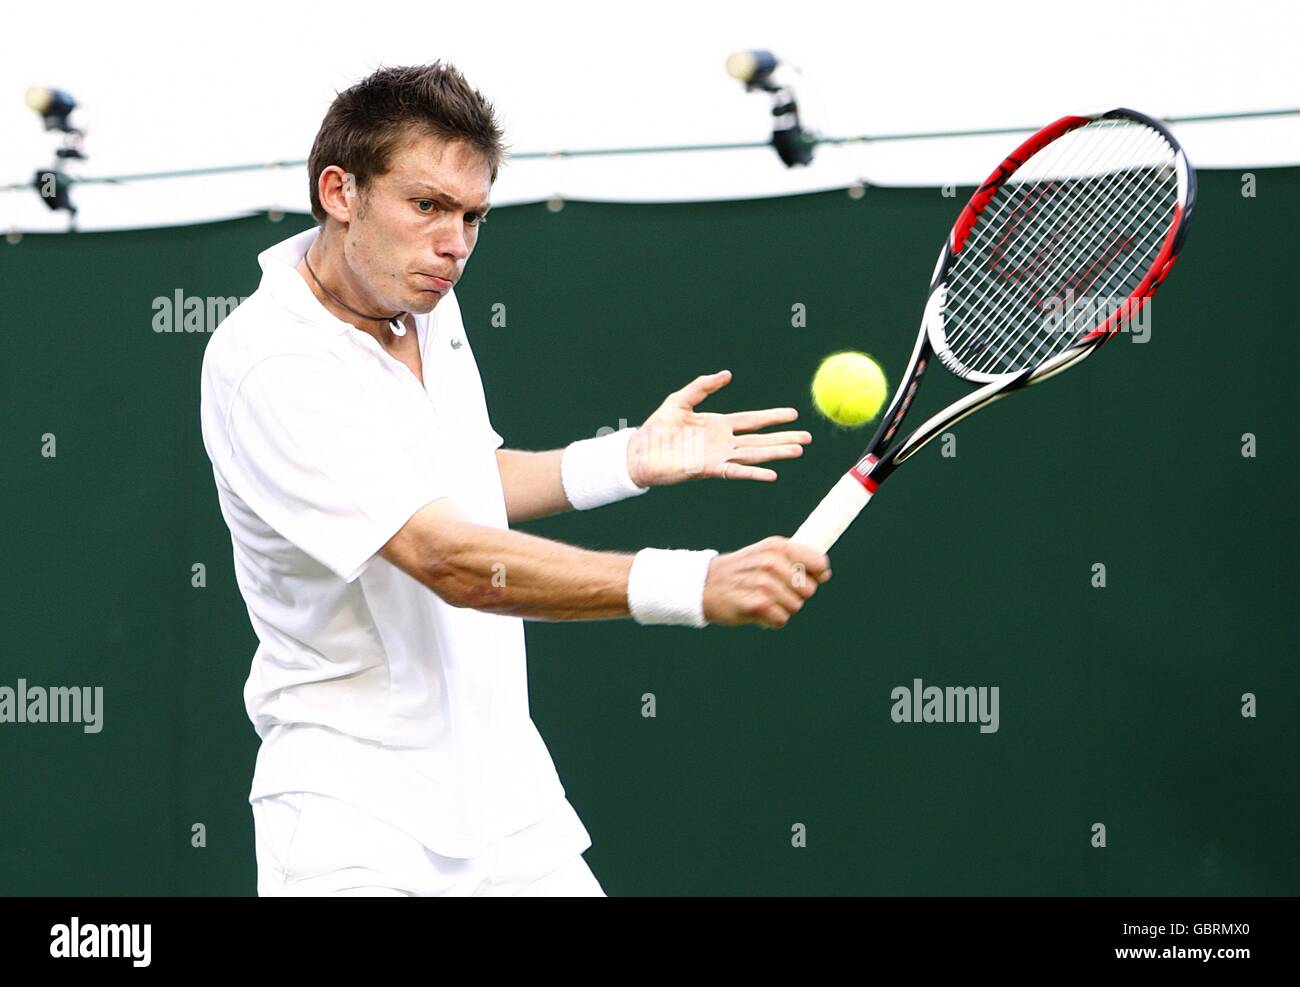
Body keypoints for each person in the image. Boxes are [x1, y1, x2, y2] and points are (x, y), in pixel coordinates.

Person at [198, 61, 832, 897]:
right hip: (354, 821)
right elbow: (446, 555)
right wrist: (694, 582)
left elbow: (459, 481)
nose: (454, 244)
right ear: (339, 192)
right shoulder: (270, 361)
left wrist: (626, 459)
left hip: (511, 808)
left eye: (472, 216)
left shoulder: (427, 300)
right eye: (426, 205)